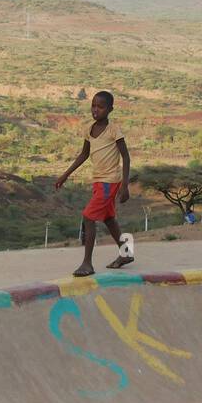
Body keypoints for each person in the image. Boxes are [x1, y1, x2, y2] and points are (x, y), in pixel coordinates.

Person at [54, 91, 132, 277]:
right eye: (93, 105)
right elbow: (84, 154)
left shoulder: (114, 130)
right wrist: (65, 175)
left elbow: (126, 157)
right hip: (98, 181)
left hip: (109, 181)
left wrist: (125, 186)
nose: (96, 109)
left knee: (88, 217)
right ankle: (126, 253)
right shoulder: (89, 129)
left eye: (101, 106)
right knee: (108, 218)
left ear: (110, 109)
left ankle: (87, 263)